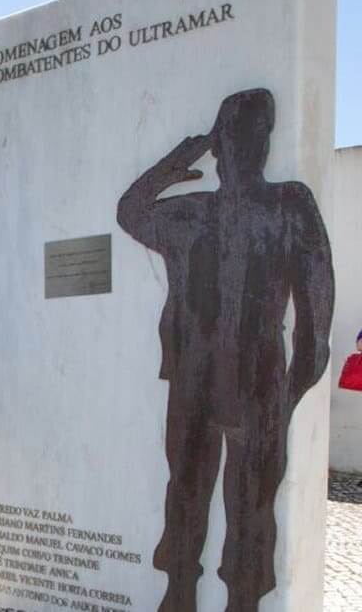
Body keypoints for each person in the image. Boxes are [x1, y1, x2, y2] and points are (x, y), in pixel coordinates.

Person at [117, 88, 333, 612]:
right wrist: (180, 157)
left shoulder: (291, 203)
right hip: (194, 378)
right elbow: (130, 211)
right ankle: (179, 593)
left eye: (251, 134)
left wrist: (289, 392)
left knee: (253, 504)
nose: (240, 147)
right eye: (230, 136)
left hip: (261, 382)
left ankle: (244, 600)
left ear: (265, 140)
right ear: (219, 144)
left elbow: (316, 314)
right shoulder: (190, 213)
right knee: (185, 492)